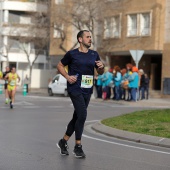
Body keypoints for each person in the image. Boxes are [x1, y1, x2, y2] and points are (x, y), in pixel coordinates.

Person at [56, 30, 104, 158]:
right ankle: (78, 146)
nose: (90, 39)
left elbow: (101, 72)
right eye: (87, 37)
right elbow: (60, 65)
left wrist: (101, 68)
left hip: (88, 89)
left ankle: (63, 141)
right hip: (75, 88)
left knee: (77, 116)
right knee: (82, 114)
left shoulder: (94, 54)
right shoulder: (72, 54)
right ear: (80, 39)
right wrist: (67, 76)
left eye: (90, 37)